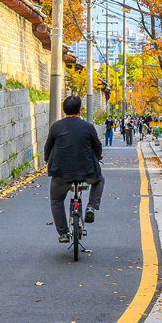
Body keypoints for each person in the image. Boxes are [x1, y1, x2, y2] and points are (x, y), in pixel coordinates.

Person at [44, 93, 106, 243]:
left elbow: (48, 148)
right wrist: (98, 157)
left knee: (56, 201)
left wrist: (47, 160)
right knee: (99, 180)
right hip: (86, 171)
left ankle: (64, 233)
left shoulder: (56, 126)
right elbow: (97, 147)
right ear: (80, 110)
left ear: (64, 110)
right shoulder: (88, 127)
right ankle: (91, 206)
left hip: (61, 172)